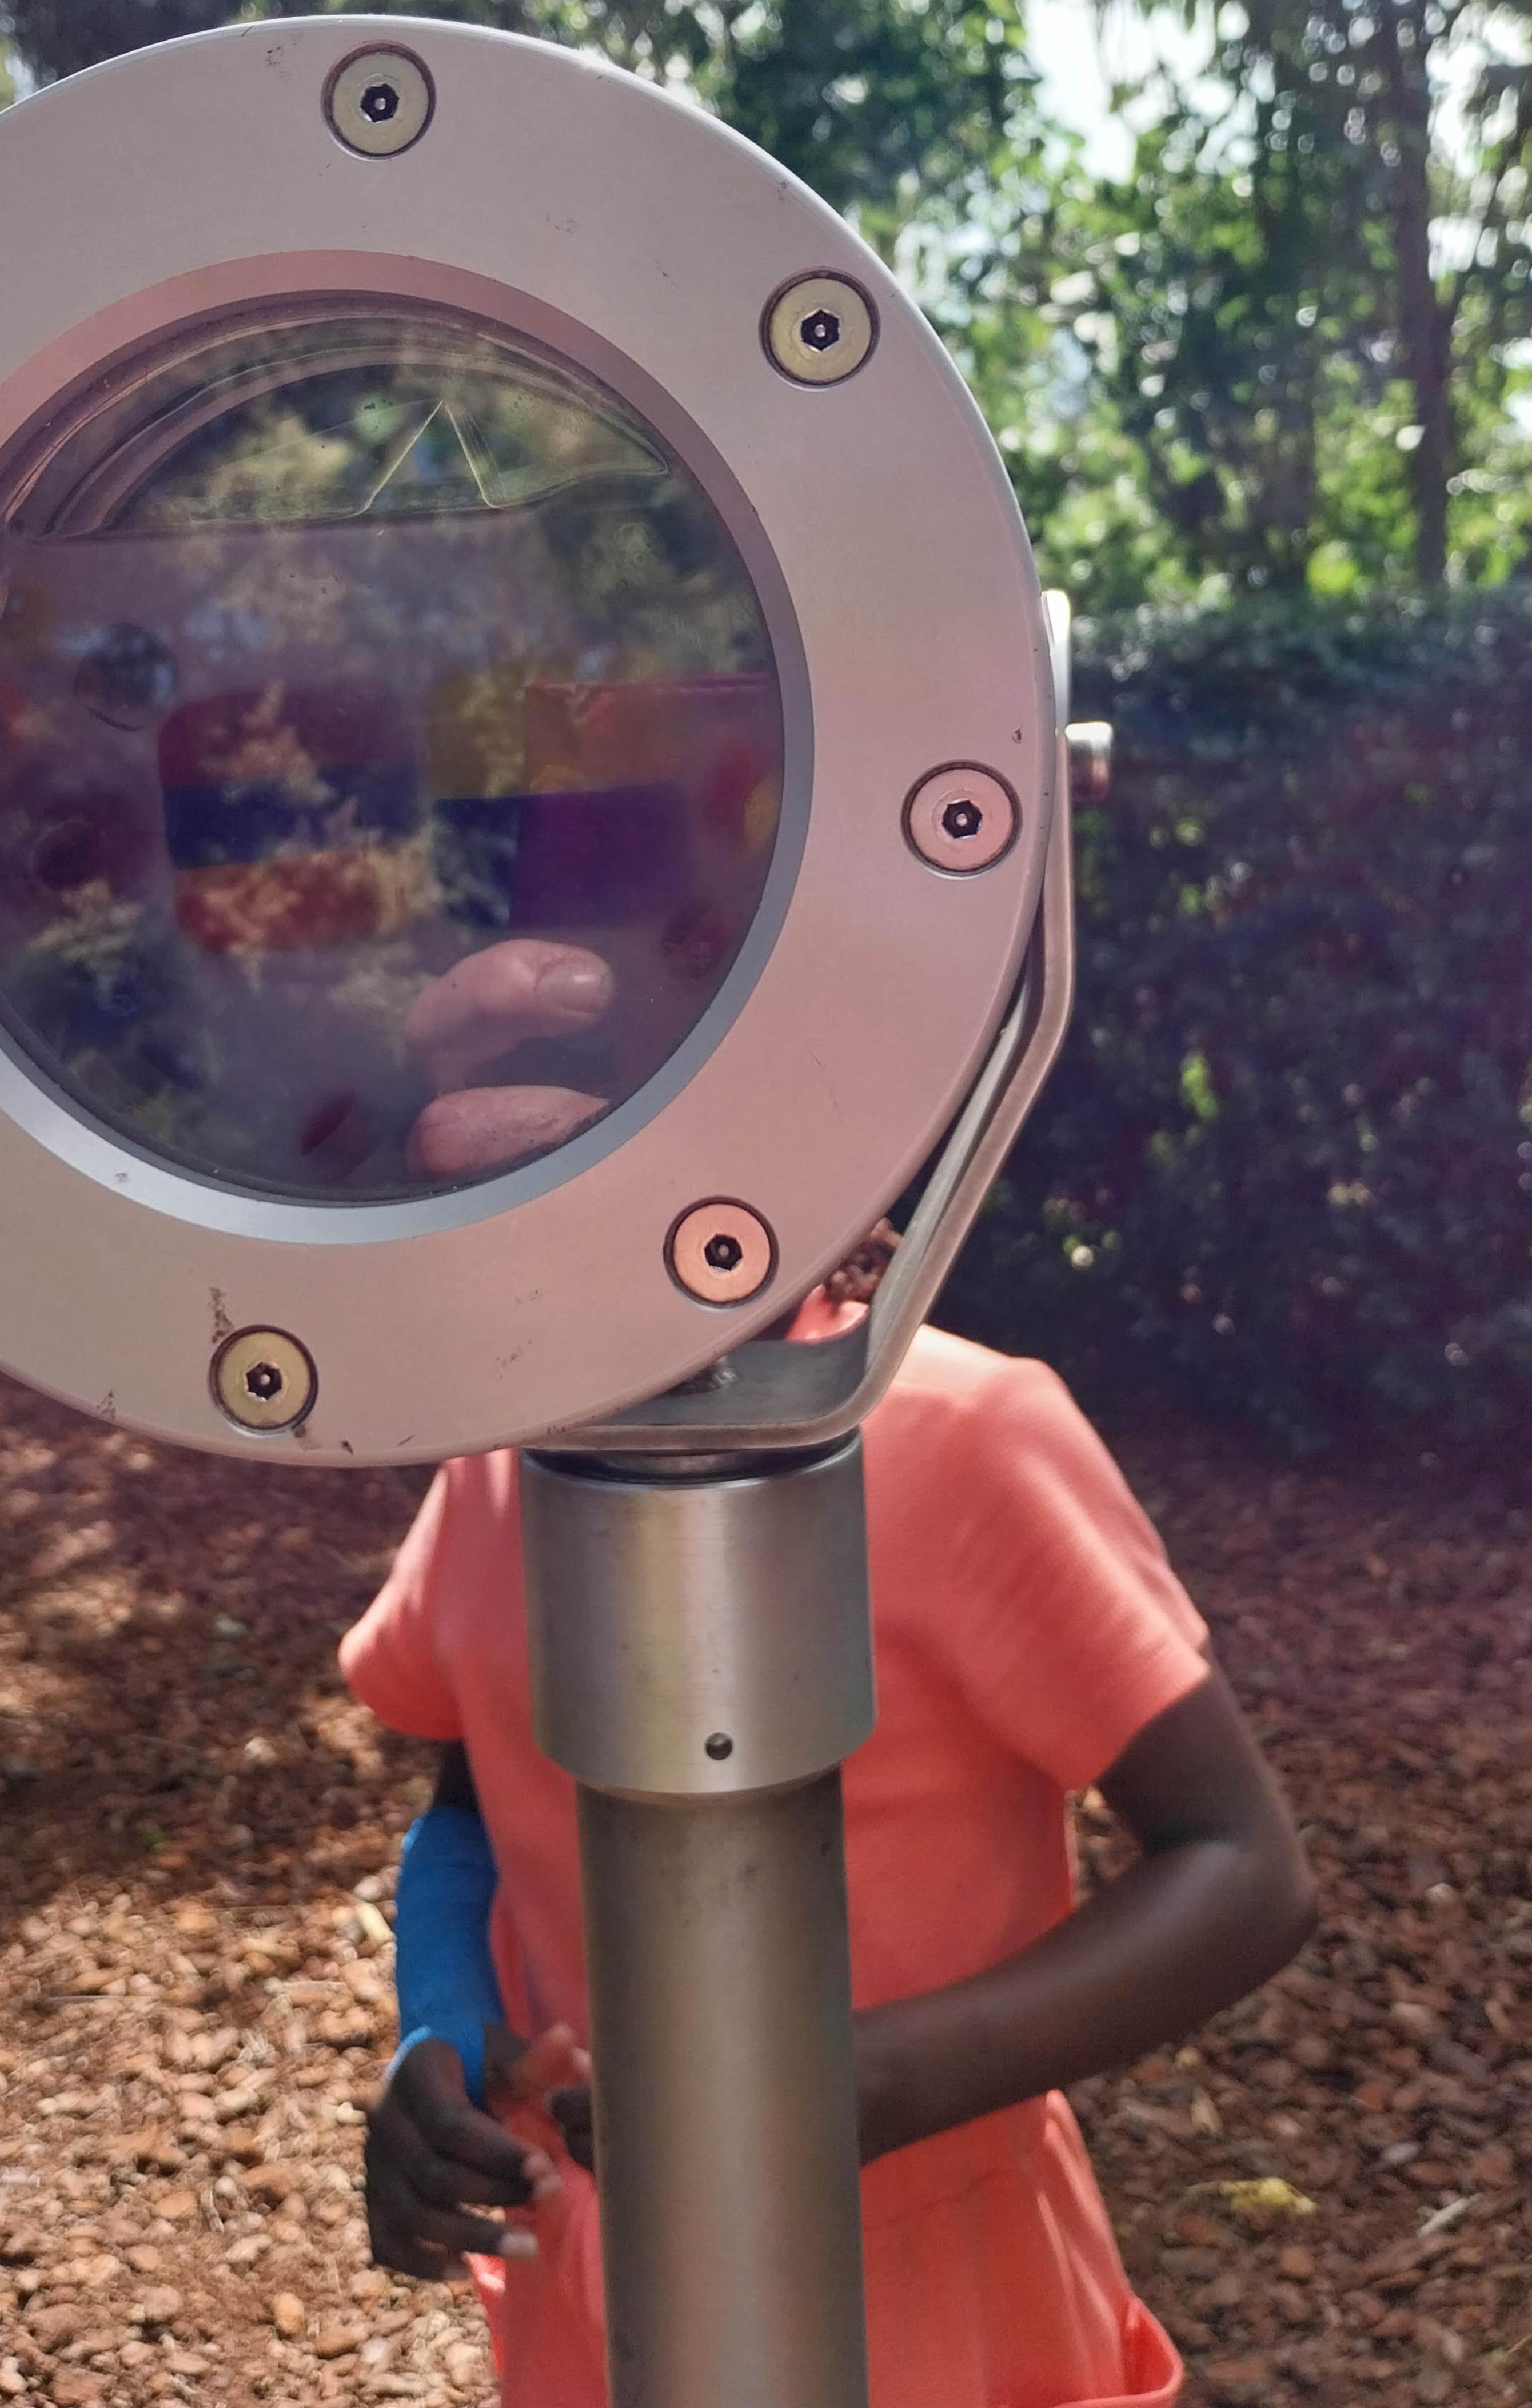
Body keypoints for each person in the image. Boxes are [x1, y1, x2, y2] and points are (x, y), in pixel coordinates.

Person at [342, 939, 1316, 2408]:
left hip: (938, 2282)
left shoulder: (964, 1438)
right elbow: (473, 1805)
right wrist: (439, 2026)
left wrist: (864, 2084)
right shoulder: (508, 1454)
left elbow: (1242, 1865)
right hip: (594, 2295)